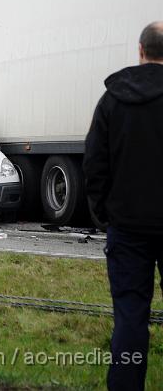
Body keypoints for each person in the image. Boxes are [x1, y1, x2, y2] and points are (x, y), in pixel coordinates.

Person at [83, 21, 163, 390]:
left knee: (130, 315)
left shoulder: (113, 99)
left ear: (140, 50)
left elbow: (94, 163)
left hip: (128, 227)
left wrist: (105, 215)